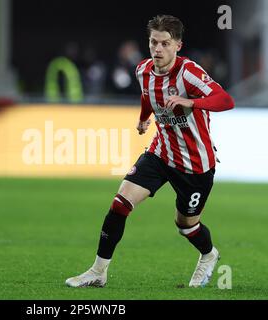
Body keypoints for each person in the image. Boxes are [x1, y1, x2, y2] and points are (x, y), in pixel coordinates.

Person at [65, 15, 234, 288]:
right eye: (153, 42)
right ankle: (98, 271)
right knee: (120, 204)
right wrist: (144, 117)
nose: (157, 49)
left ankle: (208, 254)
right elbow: (147, 95)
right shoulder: (143, 70)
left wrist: (190, 101)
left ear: (178, 45)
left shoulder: (188, 72)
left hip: (195, 165)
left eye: (165, 43)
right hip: (161, 153)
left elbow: (226, 100)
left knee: (186, 226)